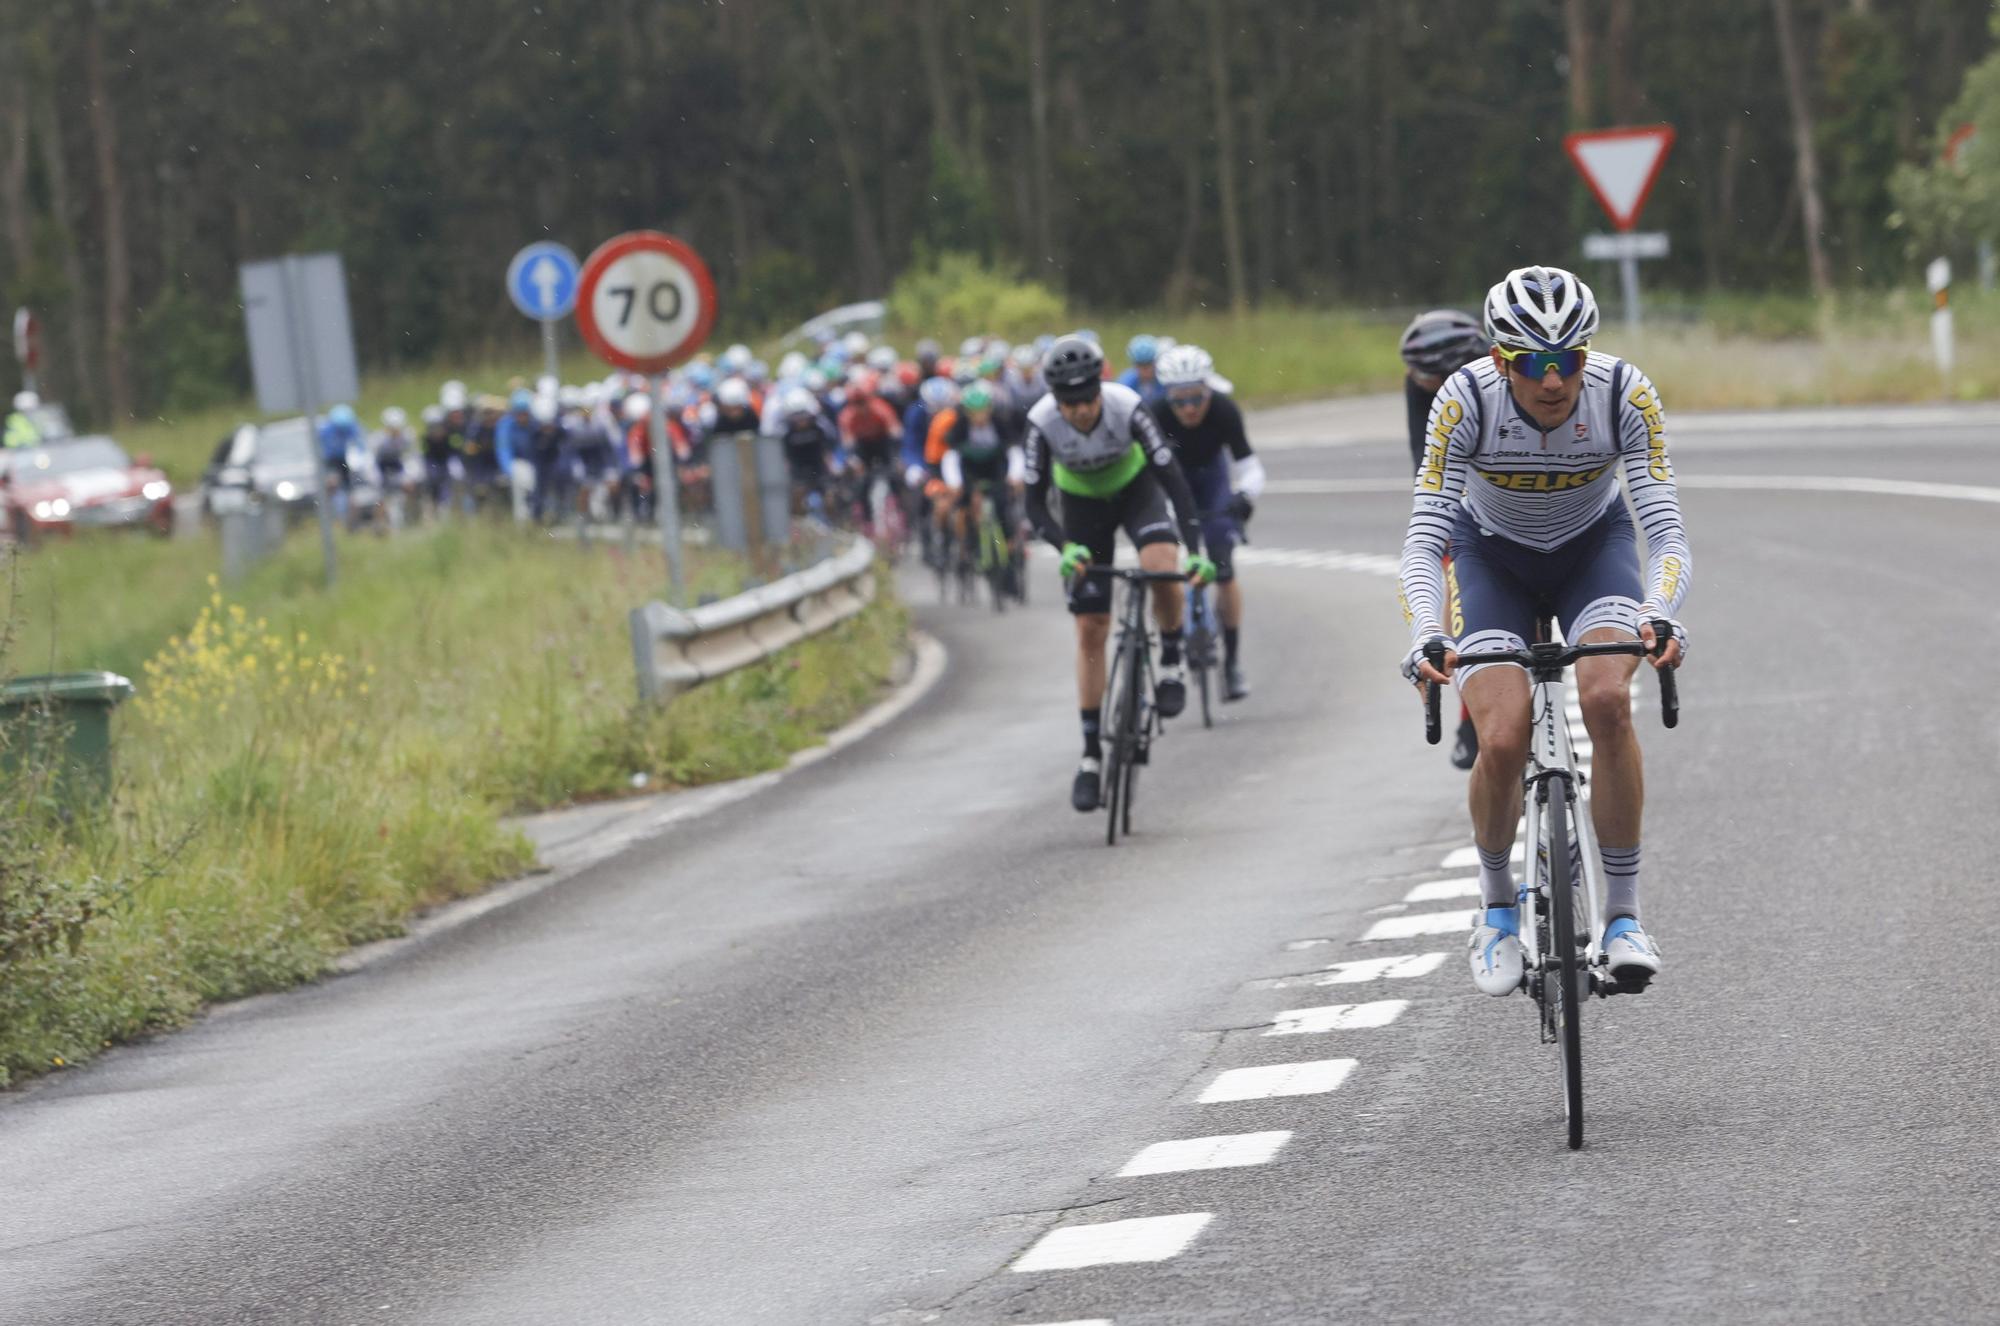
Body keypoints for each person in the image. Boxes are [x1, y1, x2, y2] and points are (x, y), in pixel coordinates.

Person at [1397, 265, 1690, 998]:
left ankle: (1623, 917)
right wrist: (1427, 631)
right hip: (1491, 559)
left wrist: (1658, 610)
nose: (1553, 380)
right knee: (1499, 736)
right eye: (1533, 363)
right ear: (1501, 360)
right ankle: (1497, 907)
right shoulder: (1462, 401)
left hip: (1595, 551)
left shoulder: (1625, 392)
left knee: (1608, 701)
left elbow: (1665, 529)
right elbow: (1426, 533)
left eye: (1568, 360)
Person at [1022, 334, 1215, 813]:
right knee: (1091, 628)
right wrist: (1064, 547)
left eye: (1089, 399)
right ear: (1055, 400)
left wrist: (1195, 551)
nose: (1083, 411)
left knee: (1158, 564)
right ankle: (1090, 754)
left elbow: (1173, 480)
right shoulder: (1040, 423)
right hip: (1081, 506)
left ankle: (1170, 659)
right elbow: (1032, 502)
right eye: (1071, 403)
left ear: (1100, 388)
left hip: (1135, 491)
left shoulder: (1127, 406)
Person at [1399, 308, 1493, 769]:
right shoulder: (1422, 389)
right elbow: (1427, 466)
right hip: (1461, 501)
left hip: (1512, 494)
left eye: (1426, 376)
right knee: (1459, 606)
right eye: (1413, 375)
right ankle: (1470, 717)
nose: (1418, 382)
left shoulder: (1491, 376)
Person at [1149, 344, 1264, 701]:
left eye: (1196, 398)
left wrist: (1244, 498)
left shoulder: (1224, 411)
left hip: (1211, 480)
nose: (1189, 409)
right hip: (1171, 479)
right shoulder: (1153, 413)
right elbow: (1144, 475)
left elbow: (1249, 468)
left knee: (1224, 569)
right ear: (1167, 396)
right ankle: (1173, 649)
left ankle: (1232, 662)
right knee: (1164, 567)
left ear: (1208, 389)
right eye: (1179, 401)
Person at [318, 403, 364, 521]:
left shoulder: (351, 427)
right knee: (332, 483)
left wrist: (360, 456)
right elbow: (323, 452)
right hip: (331, 461)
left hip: (346, 461)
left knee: (350, 490)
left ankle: (350, 516)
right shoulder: (326, 430)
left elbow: (360, 445)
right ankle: (332, 513)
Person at [1117, 334, 1166, 406]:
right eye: (1140, 365)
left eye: (1149, 364)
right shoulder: (1125, 384)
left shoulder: (1164, 381)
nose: (1145, 371)